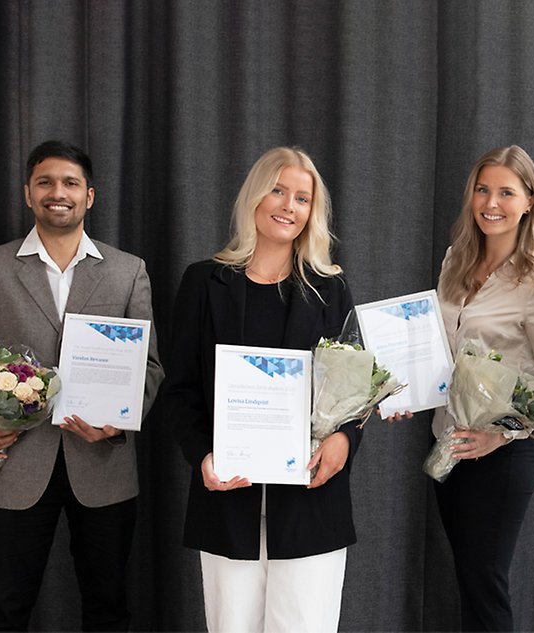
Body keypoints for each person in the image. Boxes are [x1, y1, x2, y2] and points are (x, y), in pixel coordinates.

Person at [0, 140, 165, 630]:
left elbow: (150, 366)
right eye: (45, 182)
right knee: (5, 610)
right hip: (16, 465)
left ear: (90, 196)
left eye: (70, 183)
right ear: (27, 193)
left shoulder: (129, 270)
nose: (57, 192)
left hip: (104, 466)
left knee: (108, 609)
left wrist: (119, 422)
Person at [167, 147, 359, 632]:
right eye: (278, 190)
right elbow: (181, 389)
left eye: (301, 197)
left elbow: (356, 395)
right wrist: (203, 457)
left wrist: (344, 441)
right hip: (228, 497)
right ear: (254, 195)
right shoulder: (202, 282)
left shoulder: (331, 290)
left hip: (313, 501)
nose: (288, 205)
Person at [432, 145, 534, 631]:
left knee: (485, 584)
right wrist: (404, 392)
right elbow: (439, 352)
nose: (492, 202)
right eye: (483, 189)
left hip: (503, 455)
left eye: (506, 192)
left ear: (530, 201)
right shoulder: (455, 261)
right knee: (469, 583)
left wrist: (502, 433)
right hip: (450, 446)